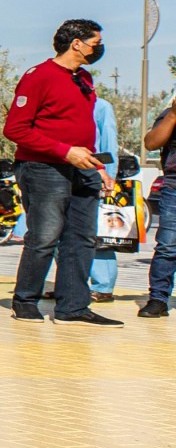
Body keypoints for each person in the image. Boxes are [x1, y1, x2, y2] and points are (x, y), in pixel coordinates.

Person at [4, 19, 119, 326]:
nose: (100, 49)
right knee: (44, 236)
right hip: (44, 168)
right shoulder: (38, 76)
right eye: (96, 43)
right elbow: (14, 129)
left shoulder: (84, 77)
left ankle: (73, 307)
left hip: (83, 168)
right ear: (77, 43)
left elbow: (83, 130)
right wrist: (64, 151)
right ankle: (25, 300)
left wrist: (100, 168)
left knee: (81, 238)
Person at [137, 94, 176, 318]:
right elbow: (151, 143)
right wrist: (173, 115)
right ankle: (158, 299)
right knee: (168, 247)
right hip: (174, 188)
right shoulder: (169, 115)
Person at [88, 91, 123, 302]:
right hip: (66, 177)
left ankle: (103, 286)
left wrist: (109, 175)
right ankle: (72, 283)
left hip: (96, 176)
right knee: (64, 234)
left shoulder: (100, 106)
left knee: (100, 233)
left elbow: (109, 142)